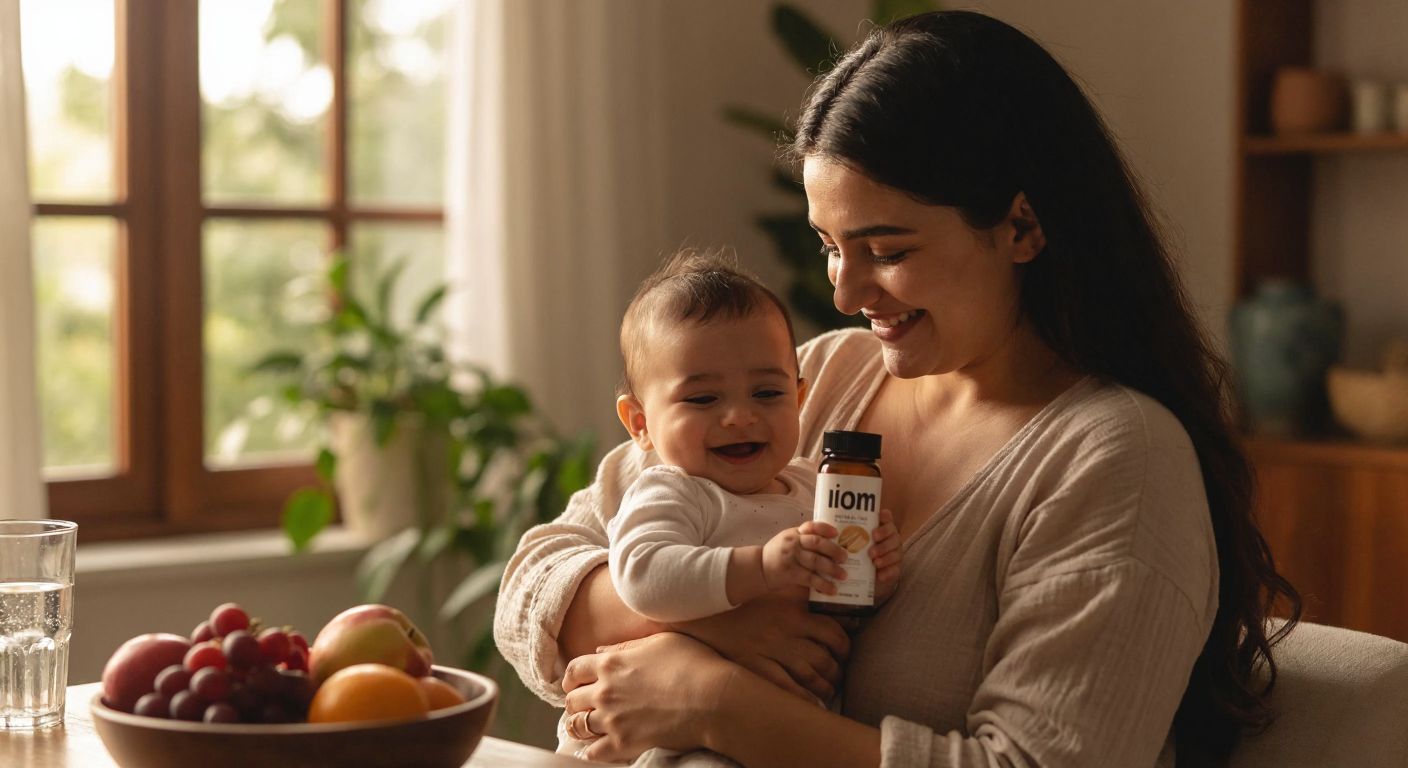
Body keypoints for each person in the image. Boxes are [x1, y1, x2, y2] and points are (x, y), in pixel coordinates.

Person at [495, 10, 1300, 767]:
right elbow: (535, 577)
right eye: (829, 246)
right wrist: (726, 620)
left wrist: (716, 701)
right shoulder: (827, 376)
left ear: (1022, 226)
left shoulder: (1118, 461)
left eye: (885, 247)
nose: (846, 292)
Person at [556, 249, 902, 761]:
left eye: (767, 393)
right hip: (659, 741)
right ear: (639, 424)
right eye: (702, 400)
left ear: (801, 397)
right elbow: (643, 576)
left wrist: (874, 571)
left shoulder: (814, 488)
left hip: (769, 736)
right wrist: (760, 567)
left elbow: (839, 601)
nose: (740, 417)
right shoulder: (671, 492)